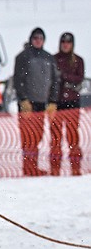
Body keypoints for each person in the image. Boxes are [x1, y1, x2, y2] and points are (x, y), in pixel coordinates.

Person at [12, 27, 60, 176]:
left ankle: (34, 165)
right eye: (35, 38)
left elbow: (55, 80)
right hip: (27, 103)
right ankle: (28, 167)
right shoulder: (23, 56)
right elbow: (18, 79)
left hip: (42, 102)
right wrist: (23, 99)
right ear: (31, 39)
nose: (38, 41)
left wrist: (53, 100)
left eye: (40, 38)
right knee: (27, 136)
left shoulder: (49, 57)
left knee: (38, 135)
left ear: (44, 40)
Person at [51, 31, 84, 175]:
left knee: (72, 136)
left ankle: (75, 166)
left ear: (72, 44)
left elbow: (79, 78)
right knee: (55, 136)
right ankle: (55, 167)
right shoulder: (54, 59)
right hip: (57, 102)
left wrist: (64, 76)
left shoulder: (78, 60)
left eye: (68, 42)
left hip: (72, 102)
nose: (66, 44)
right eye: (63, 42)